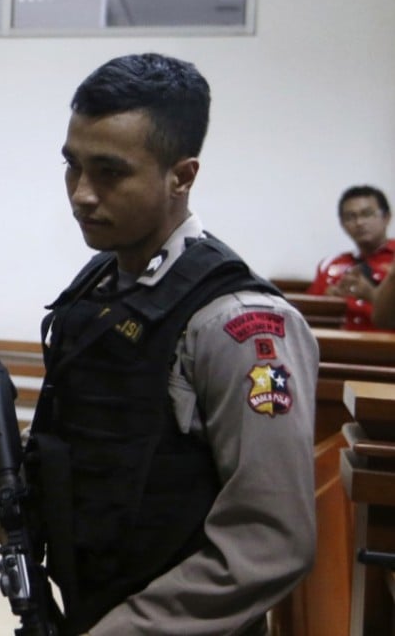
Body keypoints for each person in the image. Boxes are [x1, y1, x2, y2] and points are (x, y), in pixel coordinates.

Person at [20, 53, 318, 635]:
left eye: (109, 172)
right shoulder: (101, 289)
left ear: (182, 176)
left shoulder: (240, 326)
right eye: (72, 166)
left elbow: (269, 541)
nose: (81, 194)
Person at [306, 185, 395, 329]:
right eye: (350, 217)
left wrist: (373, 295)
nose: (359, 222)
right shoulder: (331, 264)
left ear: (386, 217)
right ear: (342, 224)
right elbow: (308, 313)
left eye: (367, 214)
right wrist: (328, 301)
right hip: (341, 346)